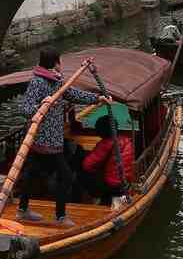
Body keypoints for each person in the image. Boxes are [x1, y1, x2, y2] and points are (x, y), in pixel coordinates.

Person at [16, 48, 111, 226]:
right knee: (65, 176)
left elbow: (73, 94)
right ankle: (59, 216)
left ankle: (23, 210)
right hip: (44, 141)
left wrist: (97, 99)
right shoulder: (38, 82)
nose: (62, 65)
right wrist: (41, 105)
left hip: (51, 141)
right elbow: (25, 109)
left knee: (32, 174)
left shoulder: (57, 82)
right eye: (60, 62)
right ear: (55, 63)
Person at [80, 114, 136, 205]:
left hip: (113, 185)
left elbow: (87, 165)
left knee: (81, 174)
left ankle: (95, 197)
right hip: (126, 181)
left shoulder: (106, 144)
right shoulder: (127, 140)